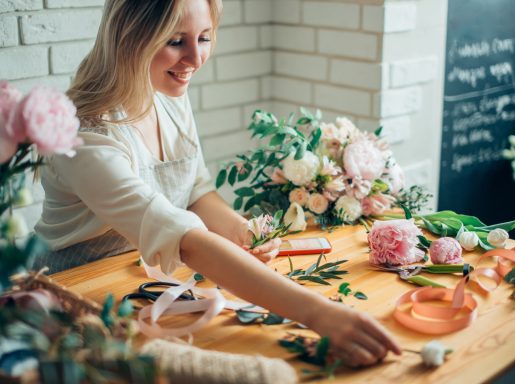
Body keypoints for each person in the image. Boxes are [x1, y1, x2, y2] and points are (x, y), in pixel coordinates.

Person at [34, 0, 401, 367]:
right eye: (176, 41)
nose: (195, 58)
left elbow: (194, 191)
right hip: (72, 296)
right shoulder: (83, 134)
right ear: (130, 37)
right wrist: (320, 315)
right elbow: (186, 240)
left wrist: (241, 231)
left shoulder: (167, 92)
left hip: (144, 282)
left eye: (204, 37)